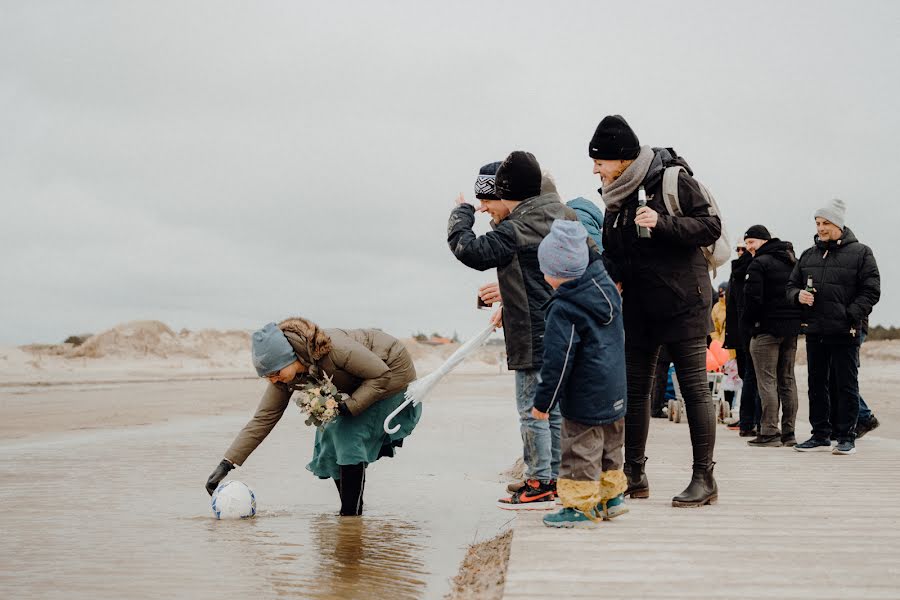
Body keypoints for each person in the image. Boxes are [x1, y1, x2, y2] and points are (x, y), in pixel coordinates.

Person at [590, 115, 721, 508]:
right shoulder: (614, 196)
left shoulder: (671, 179)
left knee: (694, 389)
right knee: (636, 392)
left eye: (600, 160)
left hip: (683, 300)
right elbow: (614, 252)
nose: (595, 168)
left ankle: (704, 477)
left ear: (623, 159)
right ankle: (634, 473)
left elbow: (710, 226)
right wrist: (611, 275)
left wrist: (662, 223)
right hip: (640, 305)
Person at [448, 152, 591, 508]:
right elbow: (535, 273)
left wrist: (460, 214)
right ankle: (553, 477)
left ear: (508, 194)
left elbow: (470, 250)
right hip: (563, 326)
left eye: (486, 200)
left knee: (532, 409)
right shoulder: (559, 214)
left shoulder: (520, 226)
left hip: (534, 330)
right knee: (552, 409)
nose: (482, 209)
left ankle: (540, 480)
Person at [204, 318, 419, 516]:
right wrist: (226, 464)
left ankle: (350, 517)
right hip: (361, 382)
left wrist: (349, 407)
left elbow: (381, 374)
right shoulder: (283, 377)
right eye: (267, 376)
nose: (272, 380)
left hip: (391, 370)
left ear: (288, 357)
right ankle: (351, 508)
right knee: (327, 437)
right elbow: (264, 418)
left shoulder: (333, 348)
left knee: (346, 432)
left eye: (274, 373)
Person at [528, 220, 627, 527]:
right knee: (611, 444)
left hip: (584, 392)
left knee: (579, 450)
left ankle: (579, 508)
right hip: (614, 387)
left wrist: (544, 403)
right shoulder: (605, 289)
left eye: (546, 270)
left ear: (560, 273)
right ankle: (611, 498)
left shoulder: (565, 308)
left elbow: (560, 360)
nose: (544, 276)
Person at [788, 199, 880, 455]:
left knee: (845, 384)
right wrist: (797, 296)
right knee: (816, 383)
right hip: (815, 329)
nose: (821, 228)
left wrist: (850, 315)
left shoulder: (861, 252)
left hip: (845, 330)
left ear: (838, 224)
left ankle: (846, 436)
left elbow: (871, 290)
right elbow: (790, 286)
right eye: (818, 223)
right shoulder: (808, 254)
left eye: (826, 223)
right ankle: (819, 435)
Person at [741, 225, 801, 447]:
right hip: (791, 330)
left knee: (766, 381)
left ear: (764, 241)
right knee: (787, 380)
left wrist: (749, 325)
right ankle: (790, 433)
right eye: (746, 243)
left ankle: (769, 433)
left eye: (752, 242)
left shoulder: (759, 263)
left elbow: (752, 300)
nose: (749, 248)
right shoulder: (792, 261)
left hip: (765, 329)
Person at [724, 239, 761, 436]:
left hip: (745, 332)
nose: (740, 251)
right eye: (737, 248)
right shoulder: (739, 270)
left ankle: (750, 420)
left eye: (743, 248)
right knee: (748, 377)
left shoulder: (746, 269)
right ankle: (749, 420)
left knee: (750, 378)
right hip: (740, 332)